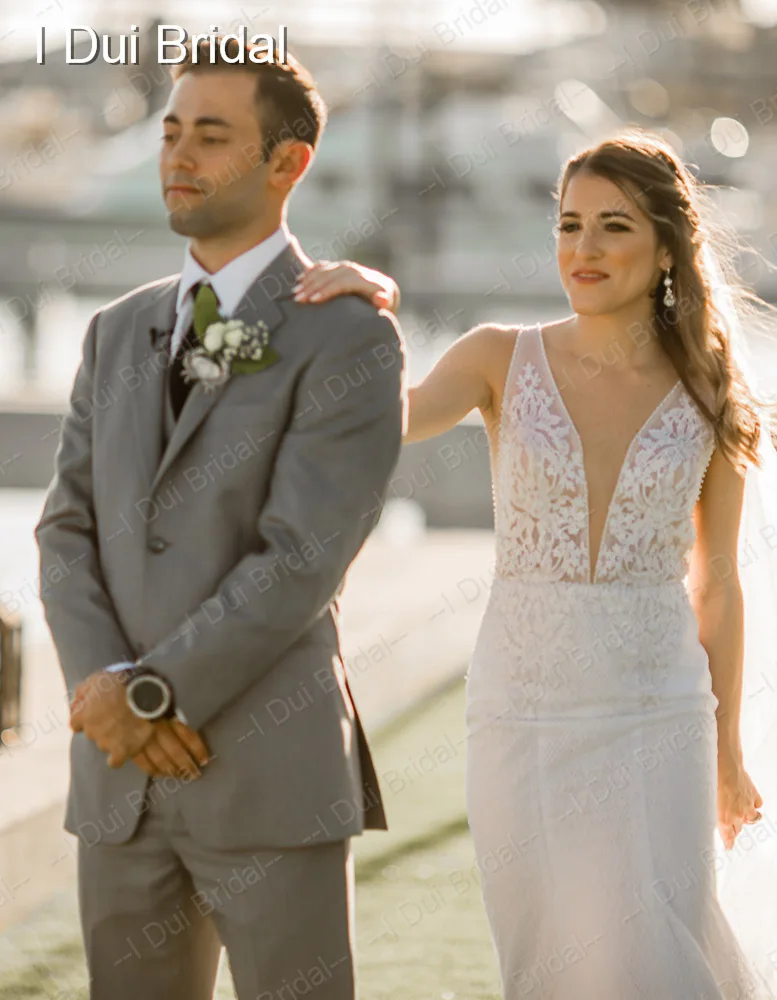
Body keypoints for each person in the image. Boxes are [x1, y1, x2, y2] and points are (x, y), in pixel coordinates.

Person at [292, 128, 777, 999]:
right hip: (521, 708)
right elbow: (381, 418)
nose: (583, 250)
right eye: (569, 225)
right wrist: (368, 308)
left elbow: (720, 586)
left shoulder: (711, 392)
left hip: (657, 711)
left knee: (658, 942)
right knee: (548, 954)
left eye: (613, 227)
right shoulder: (497, 357)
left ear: (665, 246)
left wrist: (728, 752)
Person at [34, 37, 405, 1000]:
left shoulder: (349, 332)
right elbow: (65, 532)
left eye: (210, 135)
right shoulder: (116, 330)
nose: (178, 157)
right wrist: (105, 692)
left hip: (268, 778)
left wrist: (152, 696)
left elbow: (302, 557)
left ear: (288, 163)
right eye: (170, 133)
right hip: (117, 778)